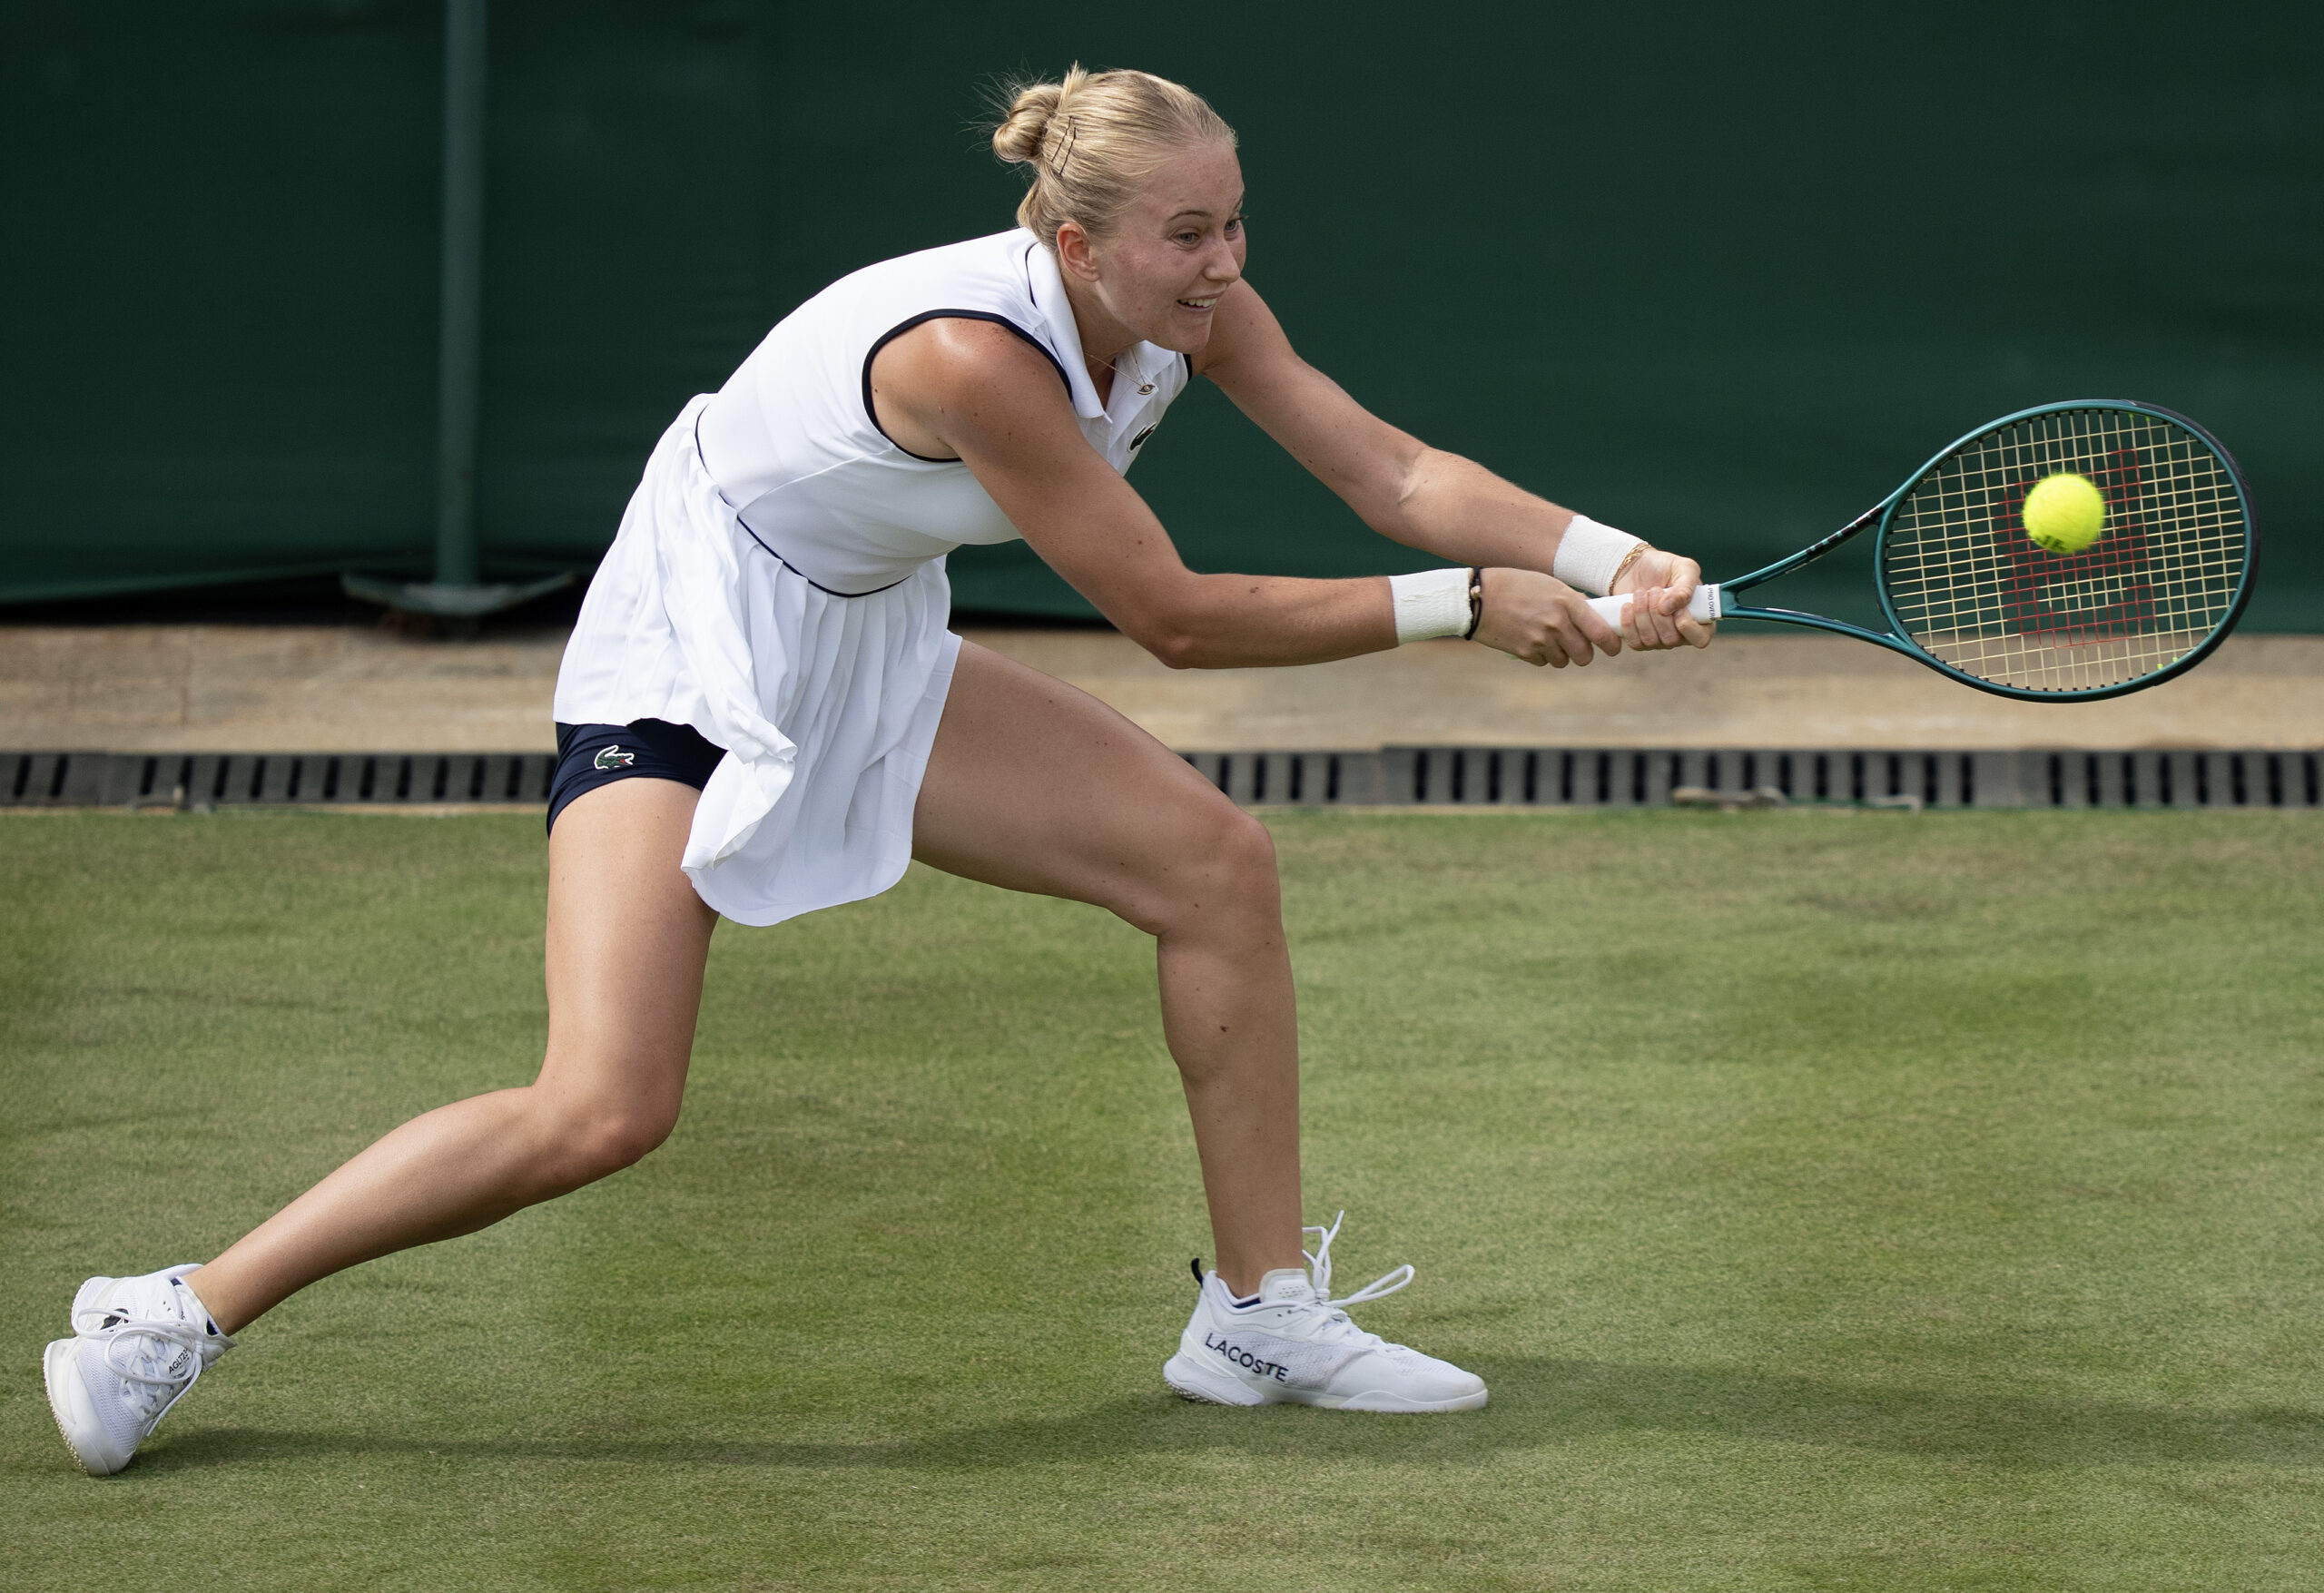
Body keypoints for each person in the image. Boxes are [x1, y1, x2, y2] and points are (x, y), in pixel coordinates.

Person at [44, 65, 1712, 1474]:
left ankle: (1260, 1319)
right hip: (698, 650)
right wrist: (1459, 613)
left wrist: (1622, 555)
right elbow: (1171, 618)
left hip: (863, 631)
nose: (1223, 263)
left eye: (1234, 221)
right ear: (1074, 239)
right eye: (1185, 233)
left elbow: (1397, 469)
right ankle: (175, 1314)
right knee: (604, 1105)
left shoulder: (1189, 307)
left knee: (1217, 867)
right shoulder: (971, 357)